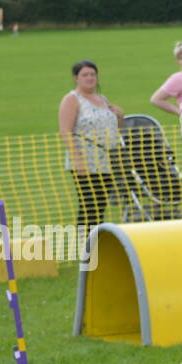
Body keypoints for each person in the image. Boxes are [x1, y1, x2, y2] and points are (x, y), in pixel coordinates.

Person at [57, 60, 123, 254]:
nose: (89, 78)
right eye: (85, 75)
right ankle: (85, 247)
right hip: (84, 160)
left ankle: (97, 244)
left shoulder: (102, 99)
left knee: (101, 202)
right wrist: (78, 159)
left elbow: (116, 129)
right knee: (88, 203)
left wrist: (120, 116)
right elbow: (65, 130)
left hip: (105, 160)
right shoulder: (72, 99)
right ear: (76, 78)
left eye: (92, 74)